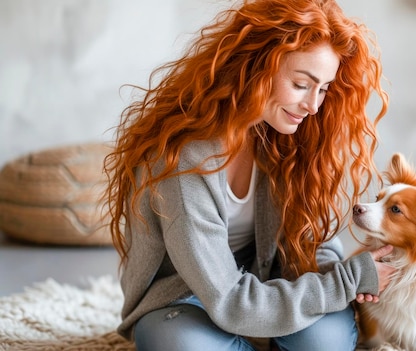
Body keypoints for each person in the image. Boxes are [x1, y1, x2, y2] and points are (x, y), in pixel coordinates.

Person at [103, 0, 394, 350]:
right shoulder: (183, 159)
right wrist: (344, 283)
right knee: (181, 344)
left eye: (324, 88)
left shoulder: (290, 135)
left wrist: (334, 280)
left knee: (325, 341)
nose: (314, 105)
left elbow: (316, 246)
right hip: (189, 295)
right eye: (302, 84)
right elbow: (228, 300)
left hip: (272, 282)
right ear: (256, 68)